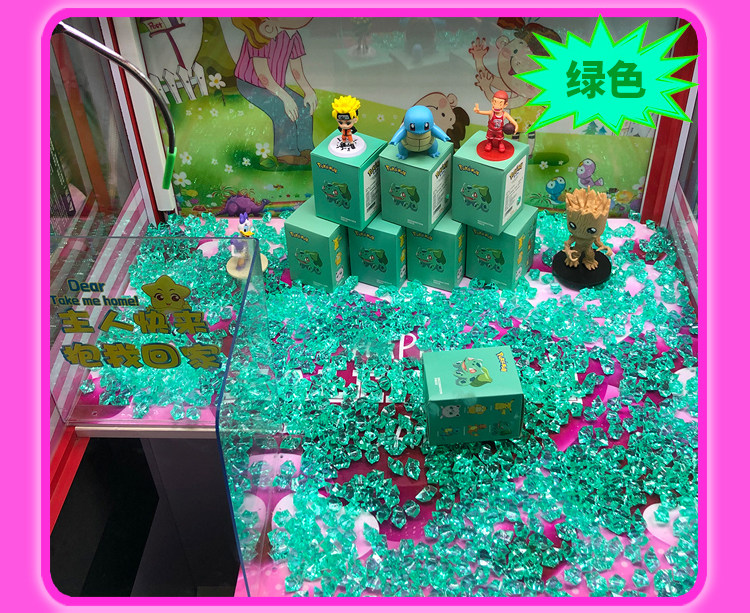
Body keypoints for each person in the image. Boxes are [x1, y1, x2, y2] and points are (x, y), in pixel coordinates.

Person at [232, 18, 318, 165]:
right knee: (283, 110)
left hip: (276, 85)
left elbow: (296, 68)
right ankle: (286, 153)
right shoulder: (260, 33)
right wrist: (285, 98)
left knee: (304, 107)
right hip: (252, 85)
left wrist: (308, 90)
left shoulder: (292, 34)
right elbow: (262, 74)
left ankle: (306, 149)